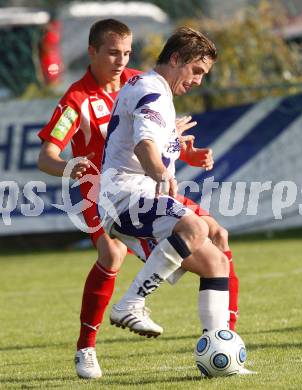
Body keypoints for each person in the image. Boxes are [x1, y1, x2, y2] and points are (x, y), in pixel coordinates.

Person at [37, 19, 238, 379]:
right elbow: (47, 156)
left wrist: (181, 153)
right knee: (114, 252)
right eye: (113, 52)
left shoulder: (137, 80)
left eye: (126, 52)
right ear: (92, 52)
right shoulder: (77, 101)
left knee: (216, 245)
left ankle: (224, 344)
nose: (120, 60)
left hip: (149, 187)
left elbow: (153, 136)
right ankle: (88, 345)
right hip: (107, 191)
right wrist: (71, 167)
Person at [99, 27, 231, 347]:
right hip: (128, 195)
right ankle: (130, 303)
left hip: (125, 196)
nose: (199, 79)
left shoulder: (150, 88)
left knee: (217, 263)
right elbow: (144, 145)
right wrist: (163, 175)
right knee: (196, 226)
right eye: (196, 70)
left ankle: (219, 344)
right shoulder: (154, 91)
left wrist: (176, 141)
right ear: (175, 59)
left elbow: (141, 135)